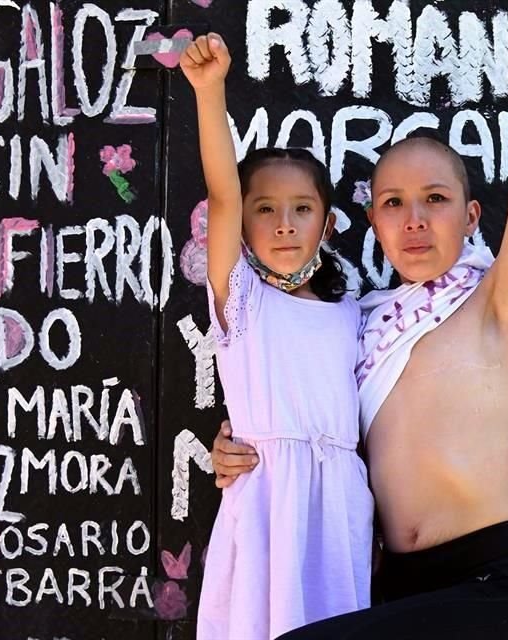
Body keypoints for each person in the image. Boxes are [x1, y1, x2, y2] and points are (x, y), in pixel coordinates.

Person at [213, 1, 508, 636]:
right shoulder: (355, 328)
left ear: (472, 219)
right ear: (374, 225)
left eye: (436, 200)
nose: (414, 219)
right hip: (388, 586)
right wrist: (239, 447)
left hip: (489, 587)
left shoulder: (496, 301)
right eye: (393, 203)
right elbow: (302, 413)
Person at [180, 33, 373, 640]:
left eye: (301, 209)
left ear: (329, 222)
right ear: (242, 222)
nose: (284, 225)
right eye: (264, 209)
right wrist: (210, 93)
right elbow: (220, 191)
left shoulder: (357, 315)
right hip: (266, 504)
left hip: (341, 508)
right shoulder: (242, 302)